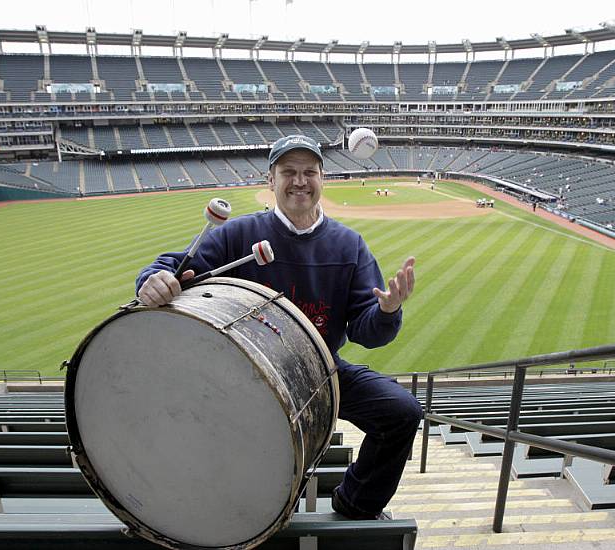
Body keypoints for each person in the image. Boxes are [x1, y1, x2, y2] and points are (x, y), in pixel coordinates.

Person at [136, 135, 422, 521]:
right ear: (270, 180)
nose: (300, 181)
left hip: (320, 369)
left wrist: (387, 310)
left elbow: (367, 333)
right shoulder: (237, 235)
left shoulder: (348, 245)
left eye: (309, 172)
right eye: (289, 172)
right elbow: (177, 265)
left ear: (323, 179)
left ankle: (356, 503)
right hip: (243, 372)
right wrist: (152, 279)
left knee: (401, 412)